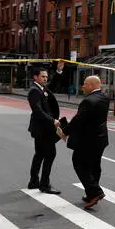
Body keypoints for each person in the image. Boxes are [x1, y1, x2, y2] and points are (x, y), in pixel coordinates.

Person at [58, 75, 110, 209]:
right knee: (94, 166)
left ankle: (96, 192)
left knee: (79, 163)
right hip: (101, 138)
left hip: (88, 140)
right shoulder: (104, 97)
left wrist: (65, 131)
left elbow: (78, 121)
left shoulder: (88, 101)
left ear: (91, 85)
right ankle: (90, 193)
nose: (83, 86)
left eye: (85, 84)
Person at [27, 60, 65, 194]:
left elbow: (54, 85)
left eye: (46, 76)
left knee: (39, 155)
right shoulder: (34, 91)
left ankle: (33, 182)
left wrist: (59, 71)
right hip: (42, 129)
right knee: (50, 154)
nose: (45, 78)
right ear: (35, 77)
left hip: (43, 128)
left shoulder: (42, 88)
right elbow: (37, 111)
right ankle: (44, 184)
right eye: (43, 76)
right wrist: (52, 120)